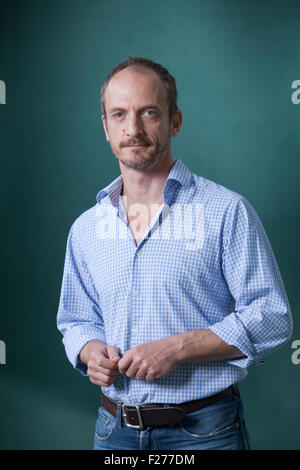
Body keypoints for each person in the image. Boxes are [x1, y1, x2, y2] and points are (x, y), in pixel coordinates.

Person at [56, 57, 293, 450]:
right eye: (119, 114)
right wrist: (89, 350)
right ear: (105, 127)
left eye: (148, 112)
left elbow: (272, 318)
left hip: (205, 432)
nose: (133, 129)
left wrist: (178, 348)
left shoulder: (226, 211)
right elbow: (76, 319)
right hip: (112, 431)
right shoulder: (85, 229)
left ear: (175, 122)